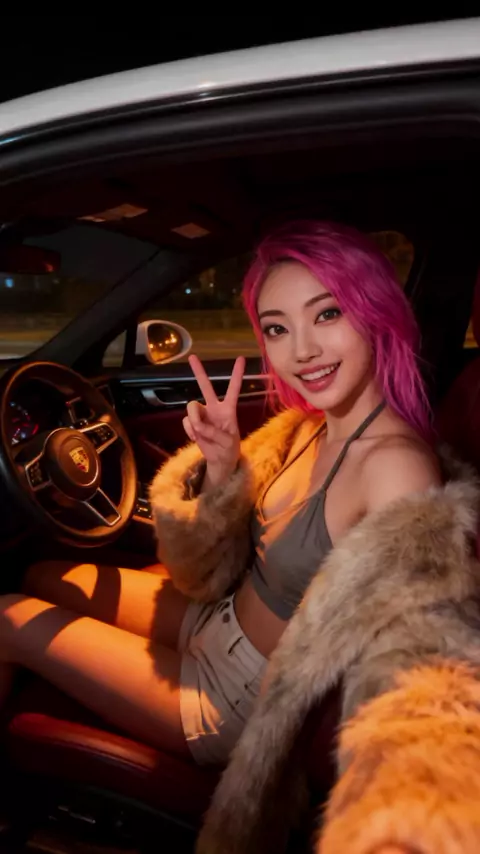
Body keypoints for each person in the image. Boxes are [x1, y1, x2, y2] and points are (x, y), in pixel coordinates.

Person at [0, 221, 475, 854]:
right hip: (211, 620)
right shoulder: (311, 424)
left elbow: (416, 659)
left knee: (7, 618)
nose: (302, 350)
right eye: (277, 328)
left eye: (327, 313)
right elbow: (224, 556)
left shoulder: (395, 467)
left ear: (375, 312)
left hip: (232, 697)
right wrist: (223, 468)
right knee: (47, 574)